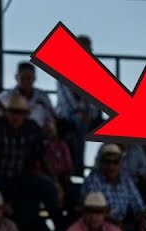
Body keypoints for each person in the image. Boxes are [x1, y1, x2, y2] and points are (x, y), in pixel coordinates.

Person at [0, 93, 57, 231]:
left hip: (22, 177)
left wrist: (56, 182)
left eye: (20, 113)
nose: (16, 116)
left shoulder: (32, 127)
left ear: (26, 114)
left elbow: (43, 157)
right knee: (23, 209)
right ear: (6, 112)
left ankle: (60, 229)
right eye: (13, 112)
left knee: (49, 188)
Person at [80, 143, 146, 231]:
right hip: (100, 226)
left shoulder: (126, 180)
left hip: (123, 225)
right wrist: (117, 226)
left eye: (115, 162)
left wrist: (143, 223)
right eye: (107, 162)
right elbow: (95, 211)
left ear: (120, 164)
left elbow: (139, 208)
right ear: (101, 163)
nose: (111, 166)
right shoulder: (92, 181)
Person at [54, 34, 102, 166]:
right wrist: (80, 111)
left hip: (90, 116)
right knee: (79, 122)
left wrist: (90, 113)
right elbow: (67, 101)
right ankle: (78, 167)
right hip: (68, 117)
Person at [0, 61, 53, 129]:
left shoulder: (43, 96)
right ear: (16, 77)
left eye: (29, 78)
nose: (26, 82)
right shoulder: (5, 97)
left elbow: (50, 118)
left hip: (38, 132)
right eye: (22, 78)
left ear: (34, 78)